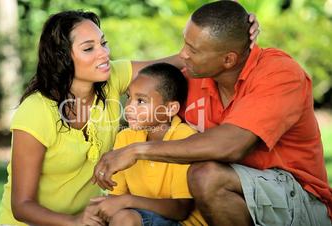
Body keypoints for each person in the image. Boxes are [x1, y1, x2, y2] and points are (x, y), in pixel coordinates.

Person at [0, 8, 259, 226]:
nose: (104, 54)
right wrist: (75, 221)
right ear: (63, 58)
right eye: (89, 48)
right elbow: (22, 206)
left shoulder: (111, 78)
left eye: (103, 43)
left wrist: (234, 29)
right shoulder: (36, 111)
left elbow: (181, 61)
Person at [92, 1, 332, 226]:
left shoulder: (280, 74)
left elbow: (231, 145)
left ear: (228, 59)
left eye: (193, 49)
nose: (183, 54)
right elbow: (133, 80)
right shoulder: (195, 76)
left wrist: (137, 151)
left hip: (299, 200)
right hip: (230, 196)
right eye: (184, 43)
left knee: (206, 176)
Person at [92, 63, 207, 226]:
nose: (129, 108)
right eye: (129, 97)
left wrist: (126, 201)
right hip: (140, 217)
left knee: (125, 219)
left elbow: (181, 210)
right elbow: (116, 200)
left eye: (141, 101)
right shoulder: (125, 138)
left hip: (182, 223)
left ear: (170, 109)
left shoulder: (185, 138)